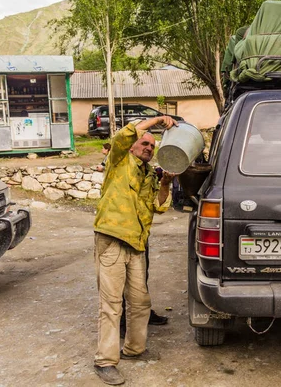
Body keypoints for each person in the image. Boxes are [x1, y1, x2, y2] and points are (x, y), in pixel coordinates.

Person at [93, 115, 177, 385]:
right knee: (111, 305)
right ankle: (105, 362)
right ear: (131, 145)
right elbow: (124, 134)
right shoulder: (118, 160)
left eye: (152, 146)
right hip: (113, 239)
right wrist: (157, 121)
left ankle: (134, 349)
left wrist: (165, 183)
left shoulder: (150, 173)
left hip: (137, 244)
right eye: (144, 143)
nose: (149, 148)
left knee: (140, 302)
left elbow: (159, 205)